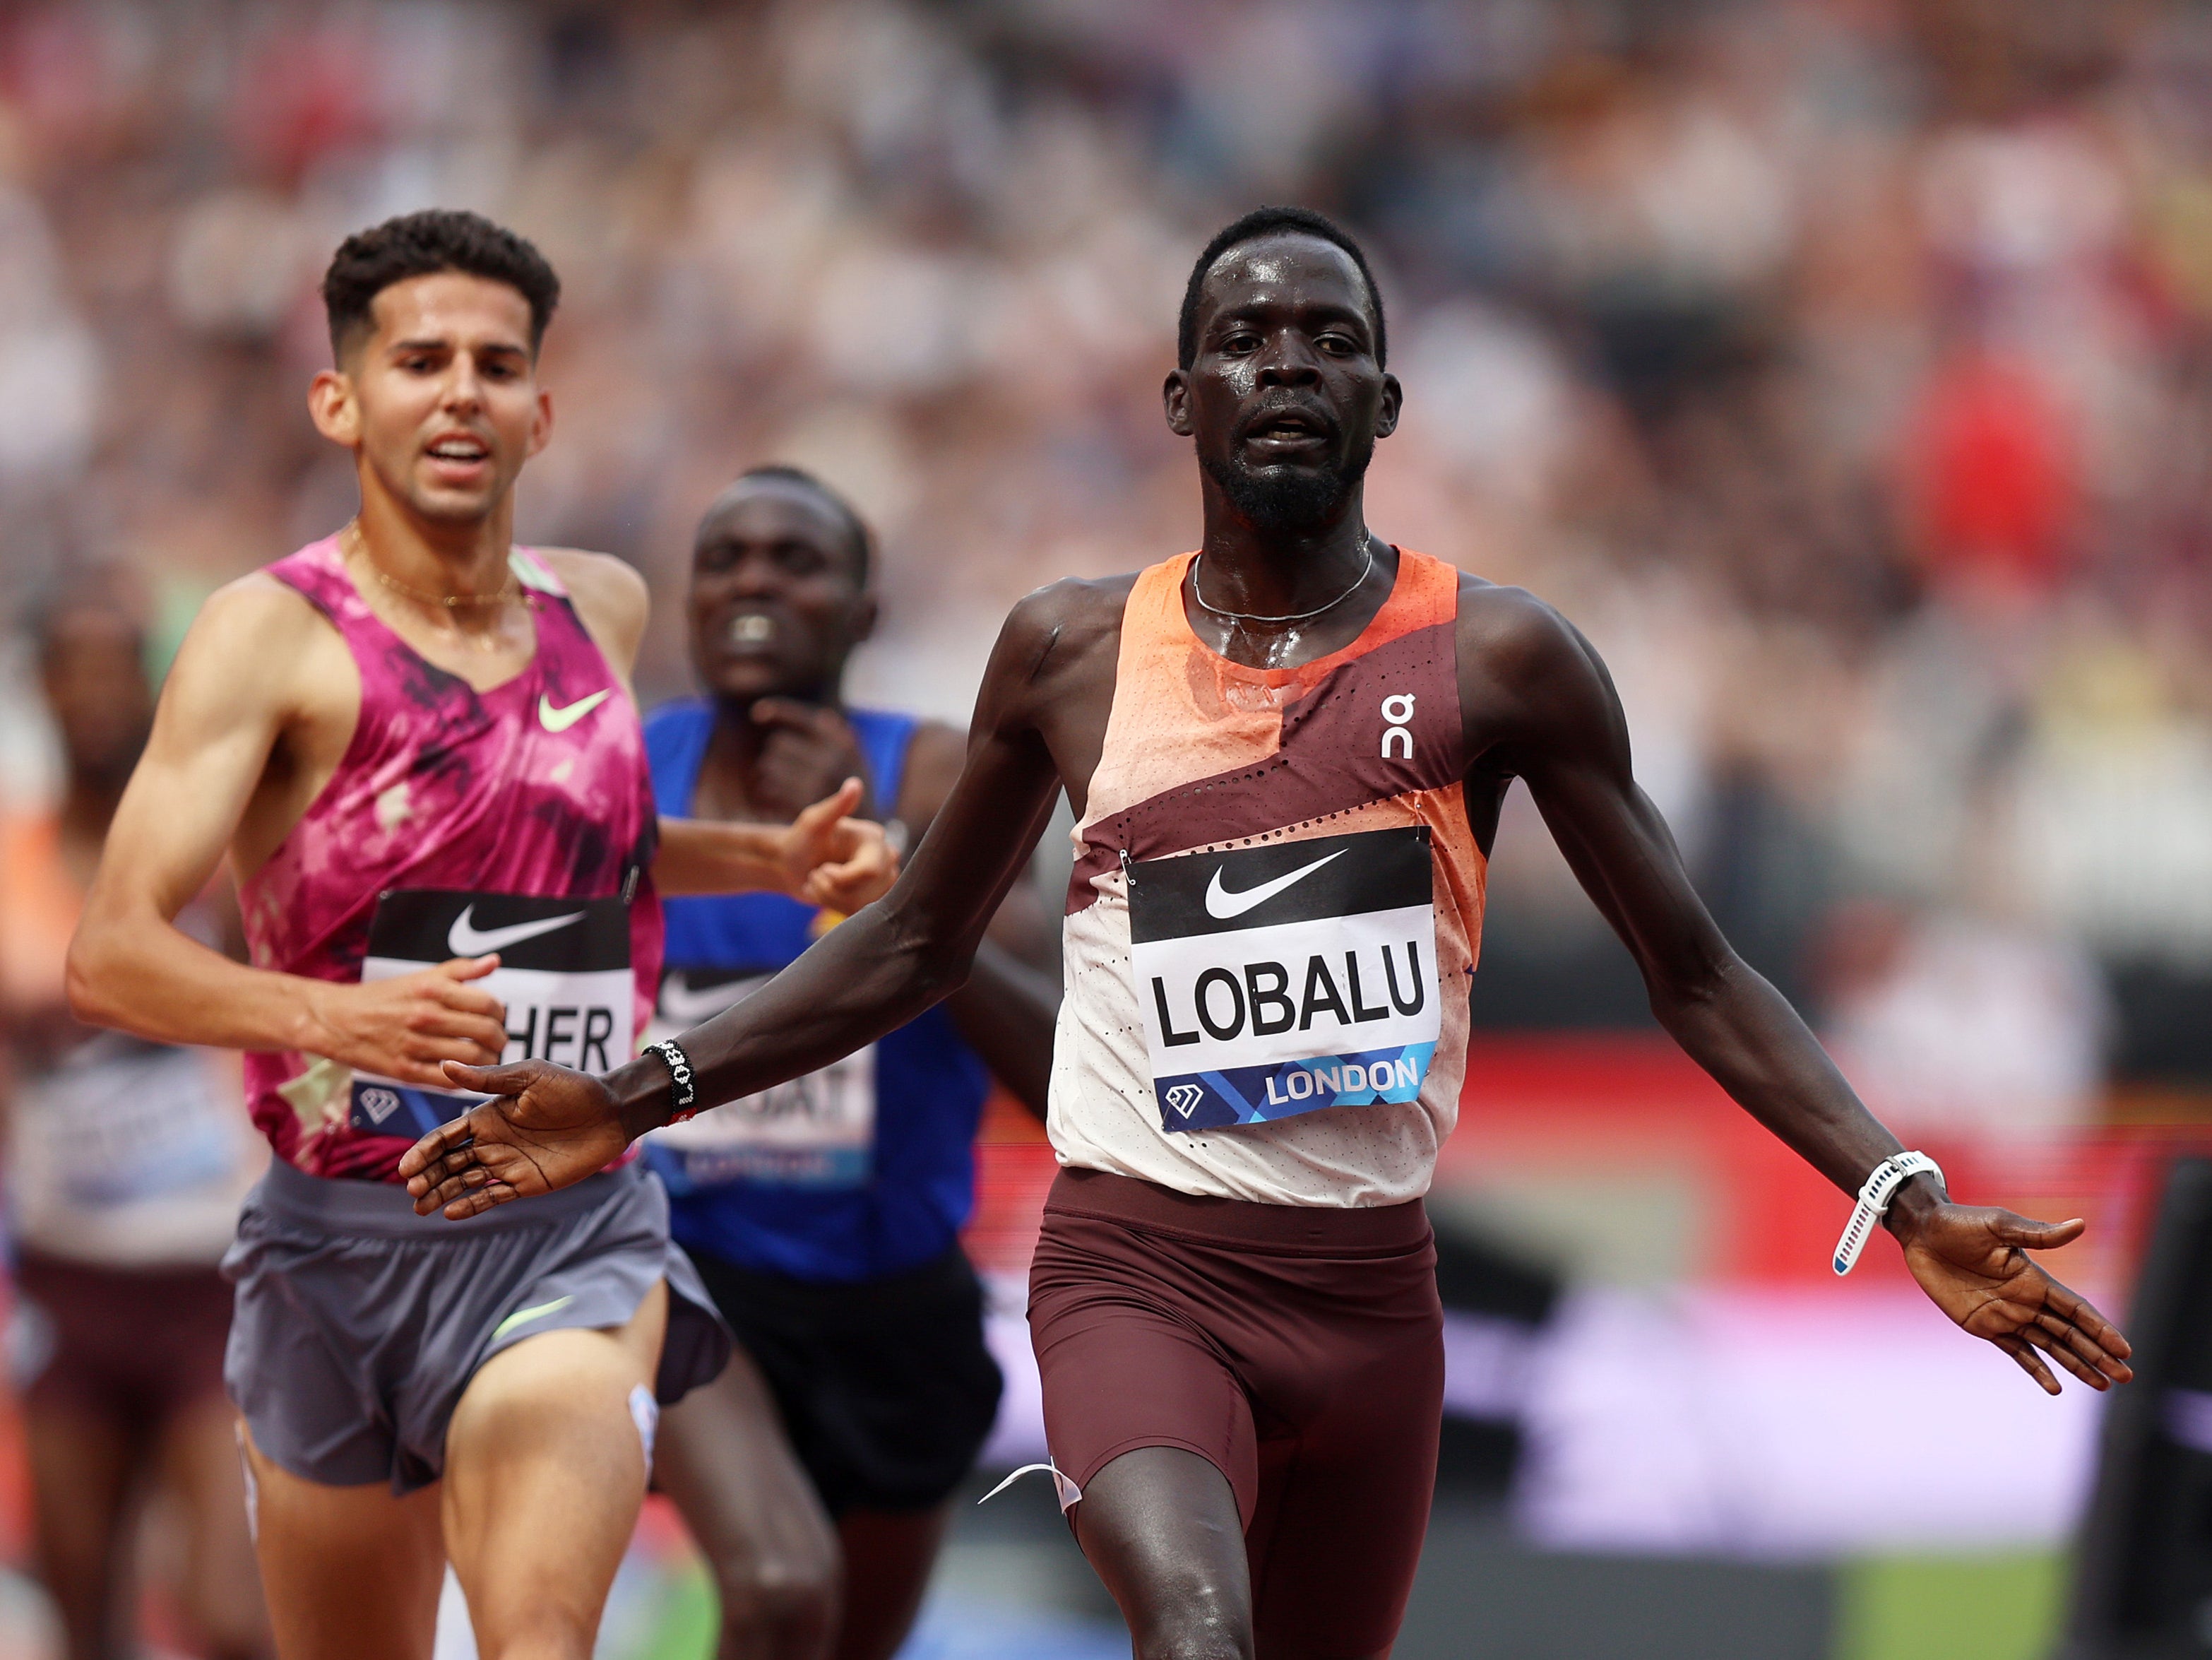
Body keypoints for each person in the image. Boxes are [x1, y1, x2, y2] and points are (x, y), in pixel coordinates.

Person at [403, 206, 2134, 1660]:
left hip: (1373, 1298)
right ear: (1180, 393)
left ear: (1387, 393)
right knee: (1195, 1631)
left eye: (1327, 337)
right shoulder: (1072, 652)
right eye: (1248, 338)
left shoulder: (1505, 660)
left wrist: (1898, 1192)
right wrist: (632, 1091)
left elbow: (1693, 969)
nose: (1287, 363)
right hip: (1133, 1266)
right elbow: (916, 943)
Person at [64, 209, 894, 1660]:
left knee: (534, 1636)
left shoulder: (606, 607)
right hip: (336, 1240)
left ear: (541, 411)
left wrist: (770, 855)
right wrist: (342, 1021)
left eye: (497, 365)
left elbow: (581, 844)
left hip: (563, 1221)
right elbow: (113, 954)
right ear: (342, 399)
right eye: (421, 359)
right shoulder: (269, 635)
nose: (462, 391)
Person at [641, 466, 1062, 1660]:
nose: (755, 579)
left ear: (866, 609)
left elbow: (1050, 1069)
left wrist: (902, 886)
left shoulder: (939, 777)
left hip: (897, 1300)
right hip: (690, 1270)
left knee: (838, 1642)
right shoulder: (625, 774)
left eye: (797, 559)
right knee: (780, 1590)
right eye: (724, 558)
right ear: (690, 601)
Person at [1, 580, 270, 1660]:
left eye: (123, 671)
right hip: (68, 1280)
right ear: (46, 686)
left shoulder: (211, 853)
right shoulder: (9, 859)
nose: (100, 694)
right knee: (85, 1618)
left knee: (228, 1613)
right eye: (79, 669)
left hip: (209, 1285)